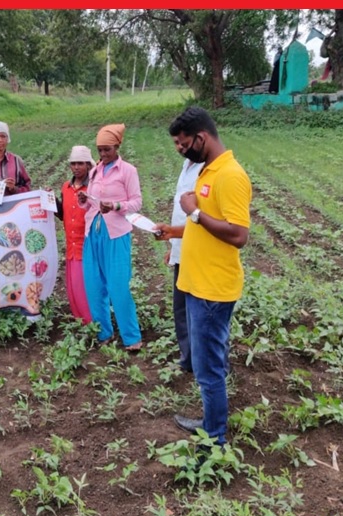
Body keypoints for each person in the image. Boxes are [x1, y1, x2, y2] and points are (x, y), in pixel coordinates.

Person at [155, 106, 252, 447]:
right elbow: (203, 227)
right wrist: (175, 231)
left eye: (184, 143)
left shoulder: (230, 175)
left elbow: (238, 234)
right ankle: (211, 421)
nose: (181, 149)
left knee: (209, 371)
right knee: (204, 365)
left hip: (213, 288)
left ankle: (216, 439)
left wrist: (193, 211)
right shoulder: (206, 171)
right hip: (196, 283)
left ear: (202, 137)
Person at [77, 123, 143, 351]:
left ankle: (131, 338)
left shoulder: (128, 171)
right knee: (94, 286)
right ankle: (104, 333)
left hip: (116, 234)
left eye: (108, 149)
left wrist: (115, 205)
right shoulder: (95, 171)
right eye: (100, 150)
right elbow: (90, 204)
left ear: (117, 146)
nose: (103, 155)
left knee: (118, 287)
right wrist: (85, 201)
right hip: (92, 233)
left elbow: (136, 202)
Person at [165, 151, 204, 372]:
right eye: (176, 144)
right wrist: (173, 247)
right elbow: (180, 214)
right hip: (182, 246)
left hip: (198, 251)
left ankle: (202, 361)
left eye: (182, 142)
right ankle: (188, 359)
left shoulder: (206, 169)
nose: (179, 147)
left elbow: (198, 215)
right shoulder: (186, 164)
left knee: (197, 309)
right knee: (180, 308)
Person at [54, 145, 94, 324]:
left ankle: (90, 321)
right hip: (71, 244)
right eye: (73, 164)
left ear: (88, 165)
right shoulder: (66, 187)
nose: (76, 167)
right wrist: (52, 201)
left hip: (86, 244)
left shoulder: (92, 188)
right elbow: (63, 214)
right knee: (73, 287)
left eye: (80, 163)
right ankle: (80, 319)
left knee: (84, 287)